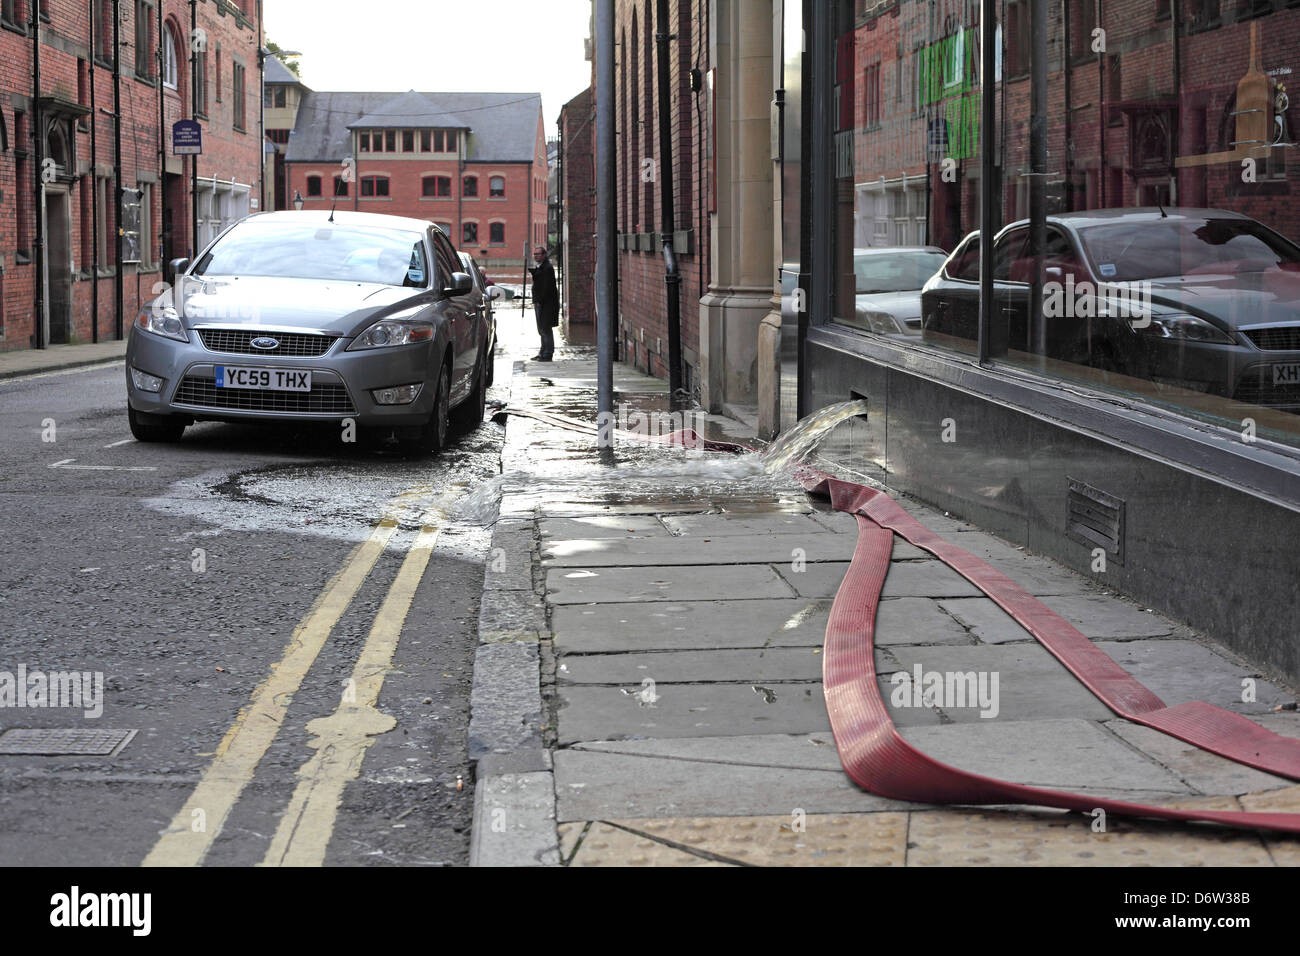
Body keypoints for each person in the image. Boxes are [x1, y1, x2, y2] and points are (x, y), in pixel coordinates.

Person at [528, 245, 559, 361]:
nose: (535, 256)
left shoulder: (547, 268)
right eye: (534, 254)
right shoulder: (541, 267)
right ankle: (542, 351)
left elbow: (546, 287)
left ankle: (547, 353)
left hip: (546, 304)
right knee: (541, 328)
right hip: (539, 303)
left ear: (544, 255)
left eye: (538, 254)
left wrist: (540, 301)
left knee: (546, 328)